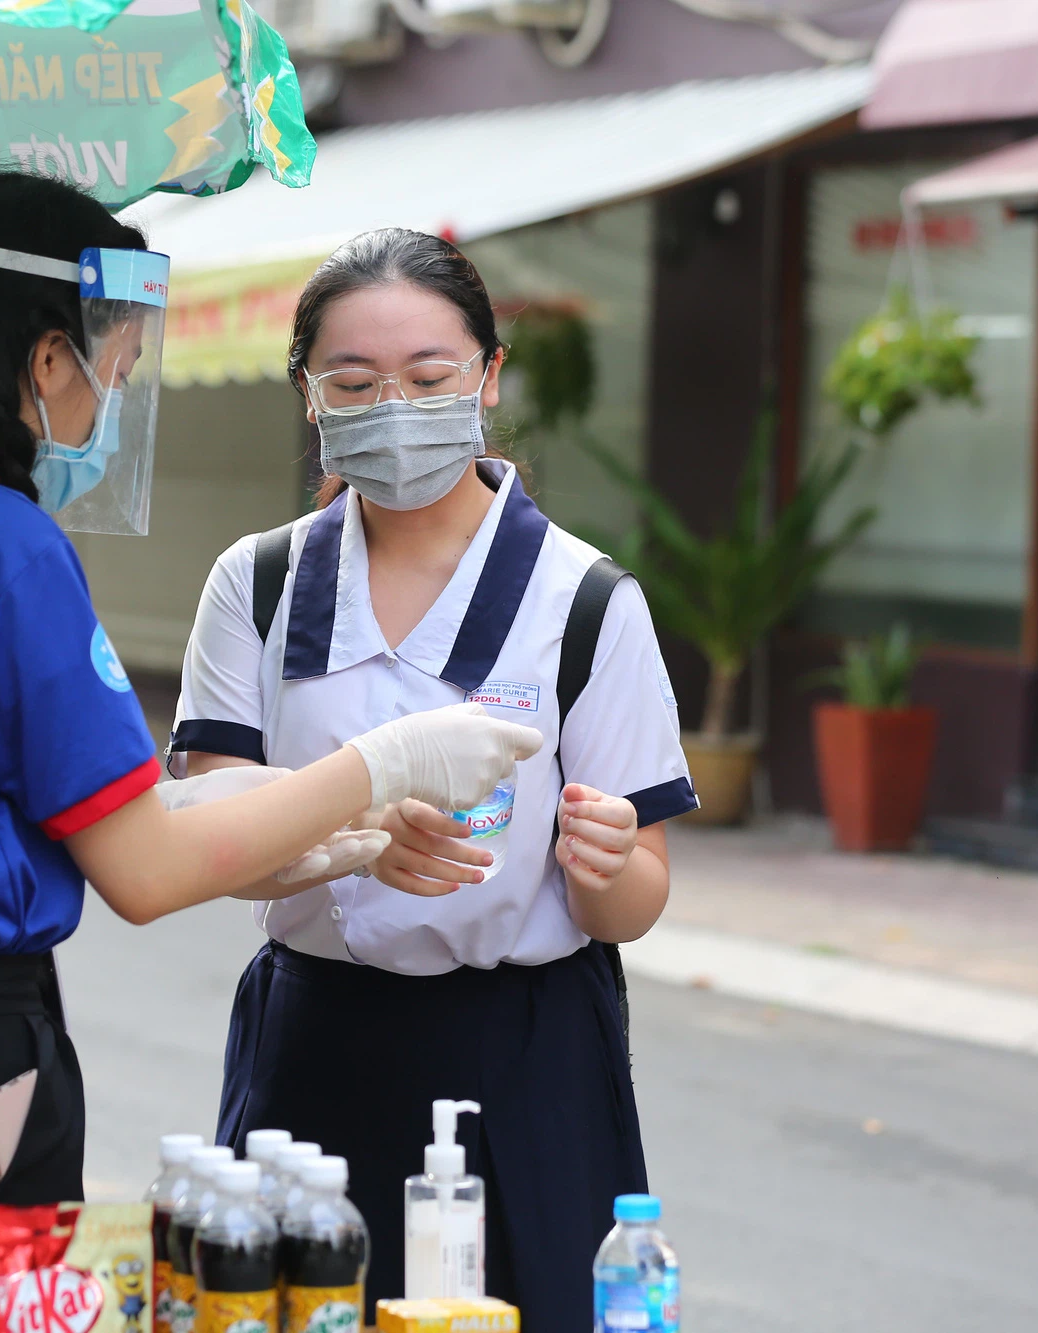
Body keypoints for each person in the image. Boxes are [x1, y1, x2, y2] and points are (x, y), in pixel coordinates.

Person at [0, 179, 541, 1210]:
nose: (104, 410)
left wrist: (254, 813)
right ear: (47, 359)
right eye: (111, 375)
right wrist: (382, 766)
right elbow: (144, 873)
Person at [167, 228, 697, 1330]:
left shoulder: (583, 602)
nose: (392, 407)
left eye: (427, 377)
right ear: (309, 395)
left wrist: (604, 867)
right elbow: (207, 831)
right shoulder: (257, 585)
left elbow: (637, 894)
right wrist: (348, 834)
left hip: (523, 1053)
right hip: (311, 1047)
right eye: (353, 382)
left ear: (488, 378)